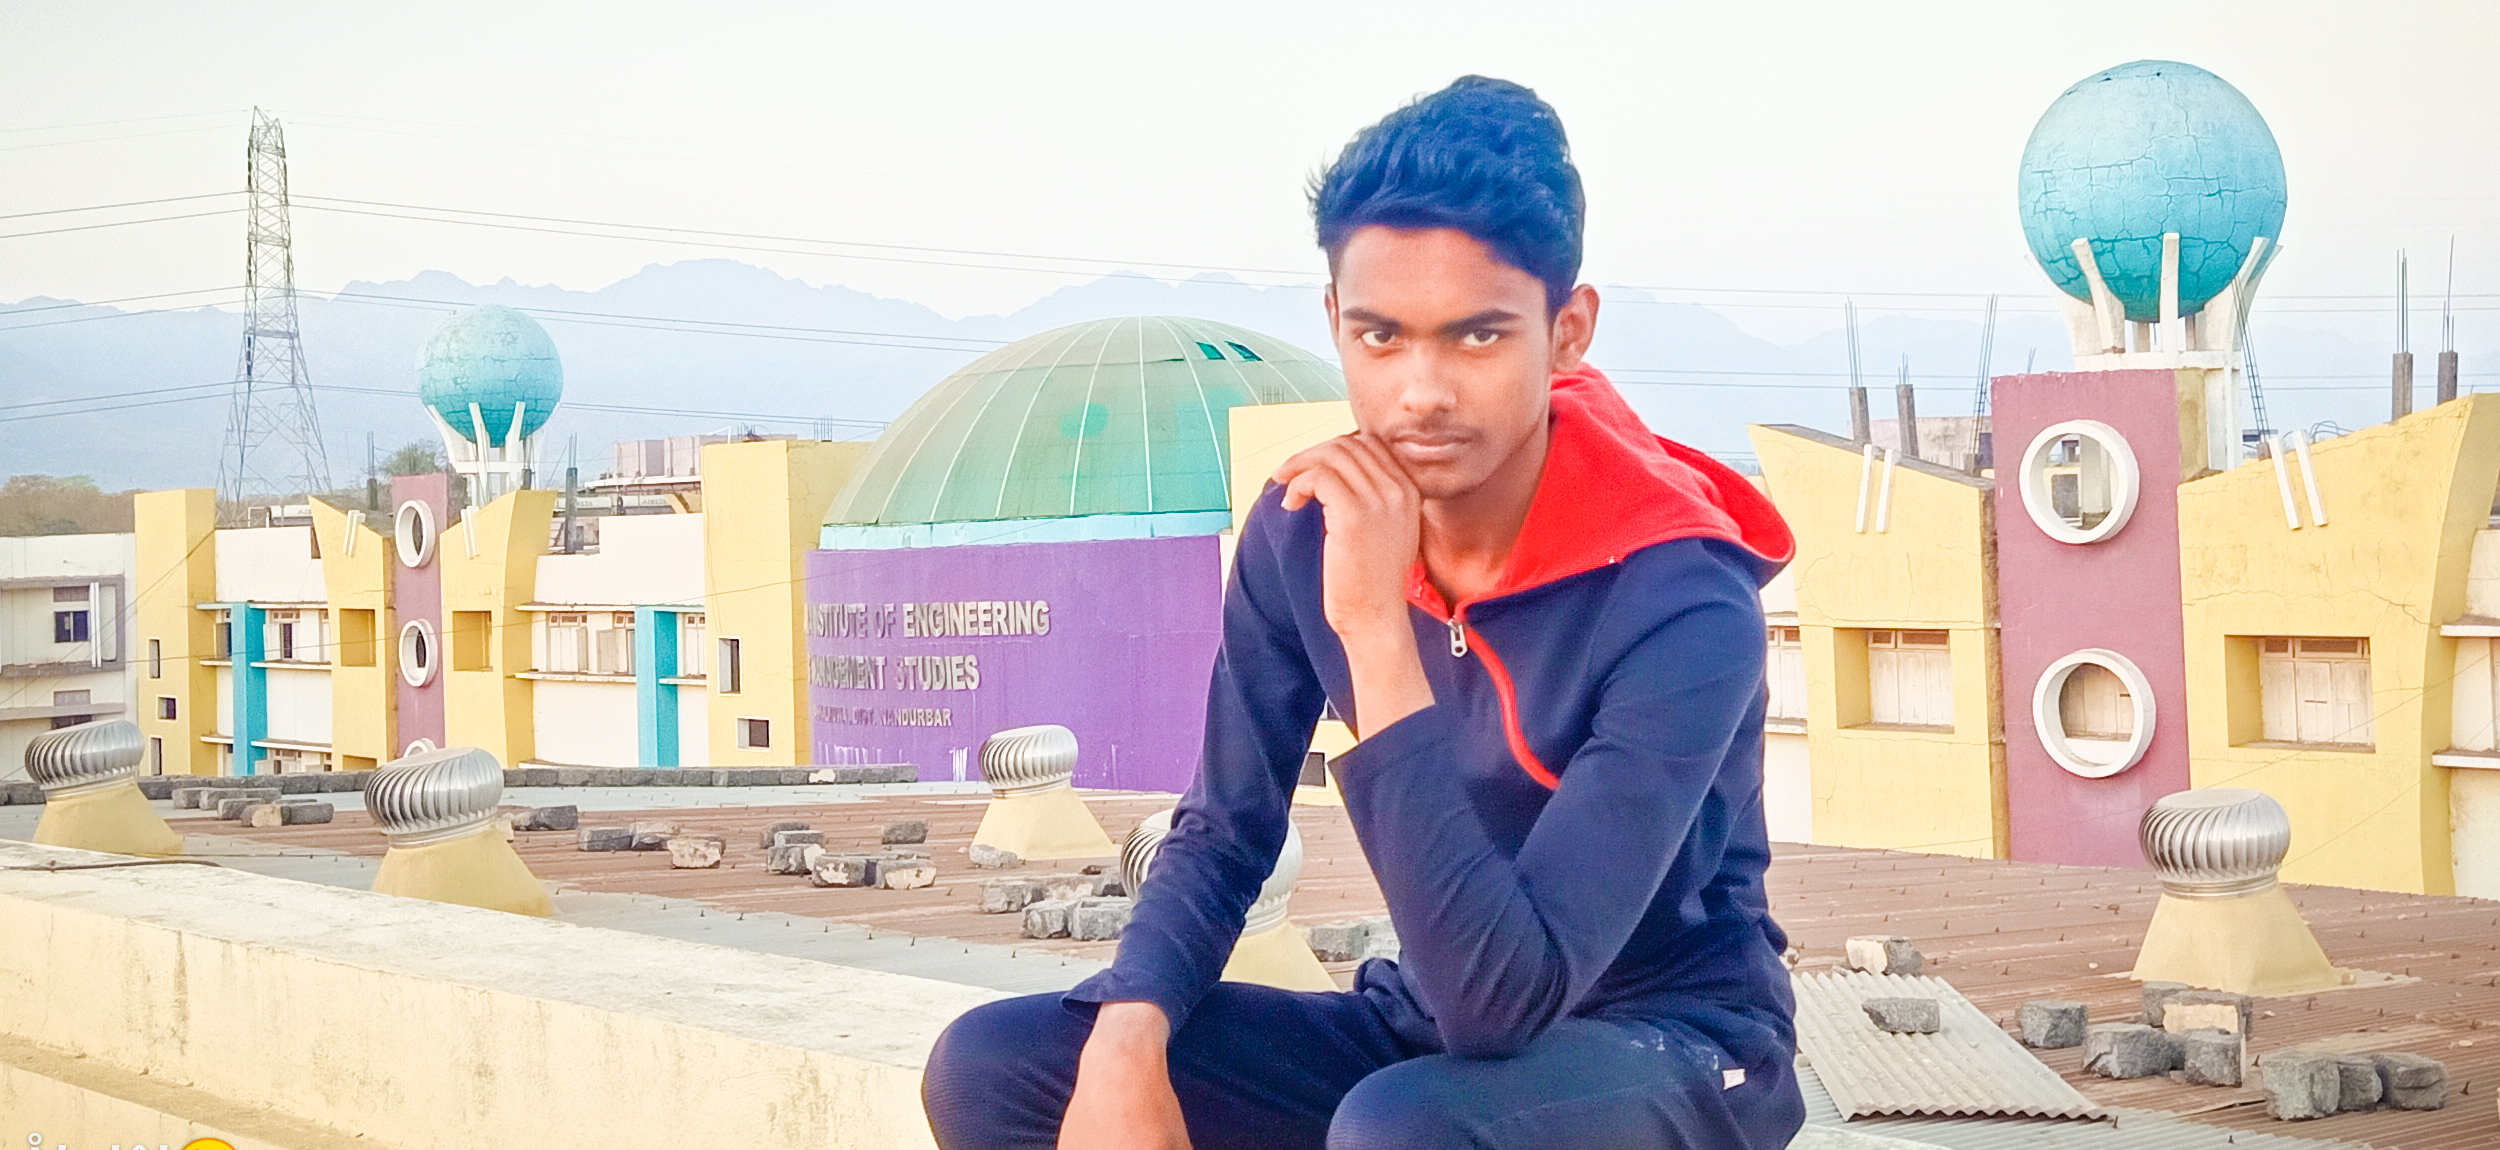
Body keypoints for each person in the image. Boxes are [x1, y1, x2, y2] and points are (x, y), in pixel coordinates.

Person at [922, 75, 1802, 1150]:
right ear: (1335, 320)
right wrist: (1126, 1034)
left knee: (1402, 1130)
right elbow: (1226, 827)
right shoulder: (1304, 527)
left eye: (1477, 338)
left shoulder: (1680, 596)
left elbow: (1503, 1002)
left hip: (1677, 1046)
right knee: (996, 1068)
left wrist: (1377, 629)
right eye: (1382, 337)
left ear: (1566, 331)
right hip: (1428, 1025)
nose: (1420, 392)